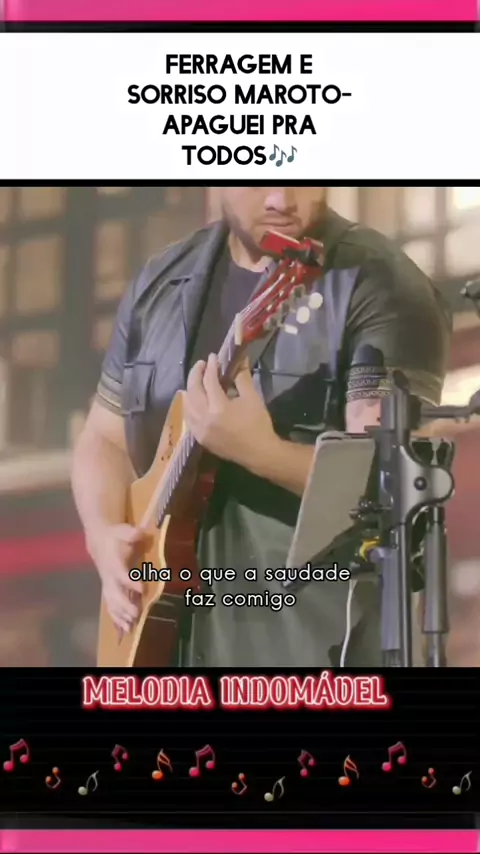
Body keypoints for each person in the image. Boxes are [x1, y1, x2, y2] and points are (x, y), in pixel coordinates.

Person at [71, 187, 451, 668]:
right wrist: (103, 534)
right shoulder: (160, 282)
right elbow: (104, 438)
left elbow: (394, 479)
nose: (281, 200)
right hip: (168, 645)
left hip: (309, 648)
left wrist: (261, 452)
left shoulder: (383, 285)